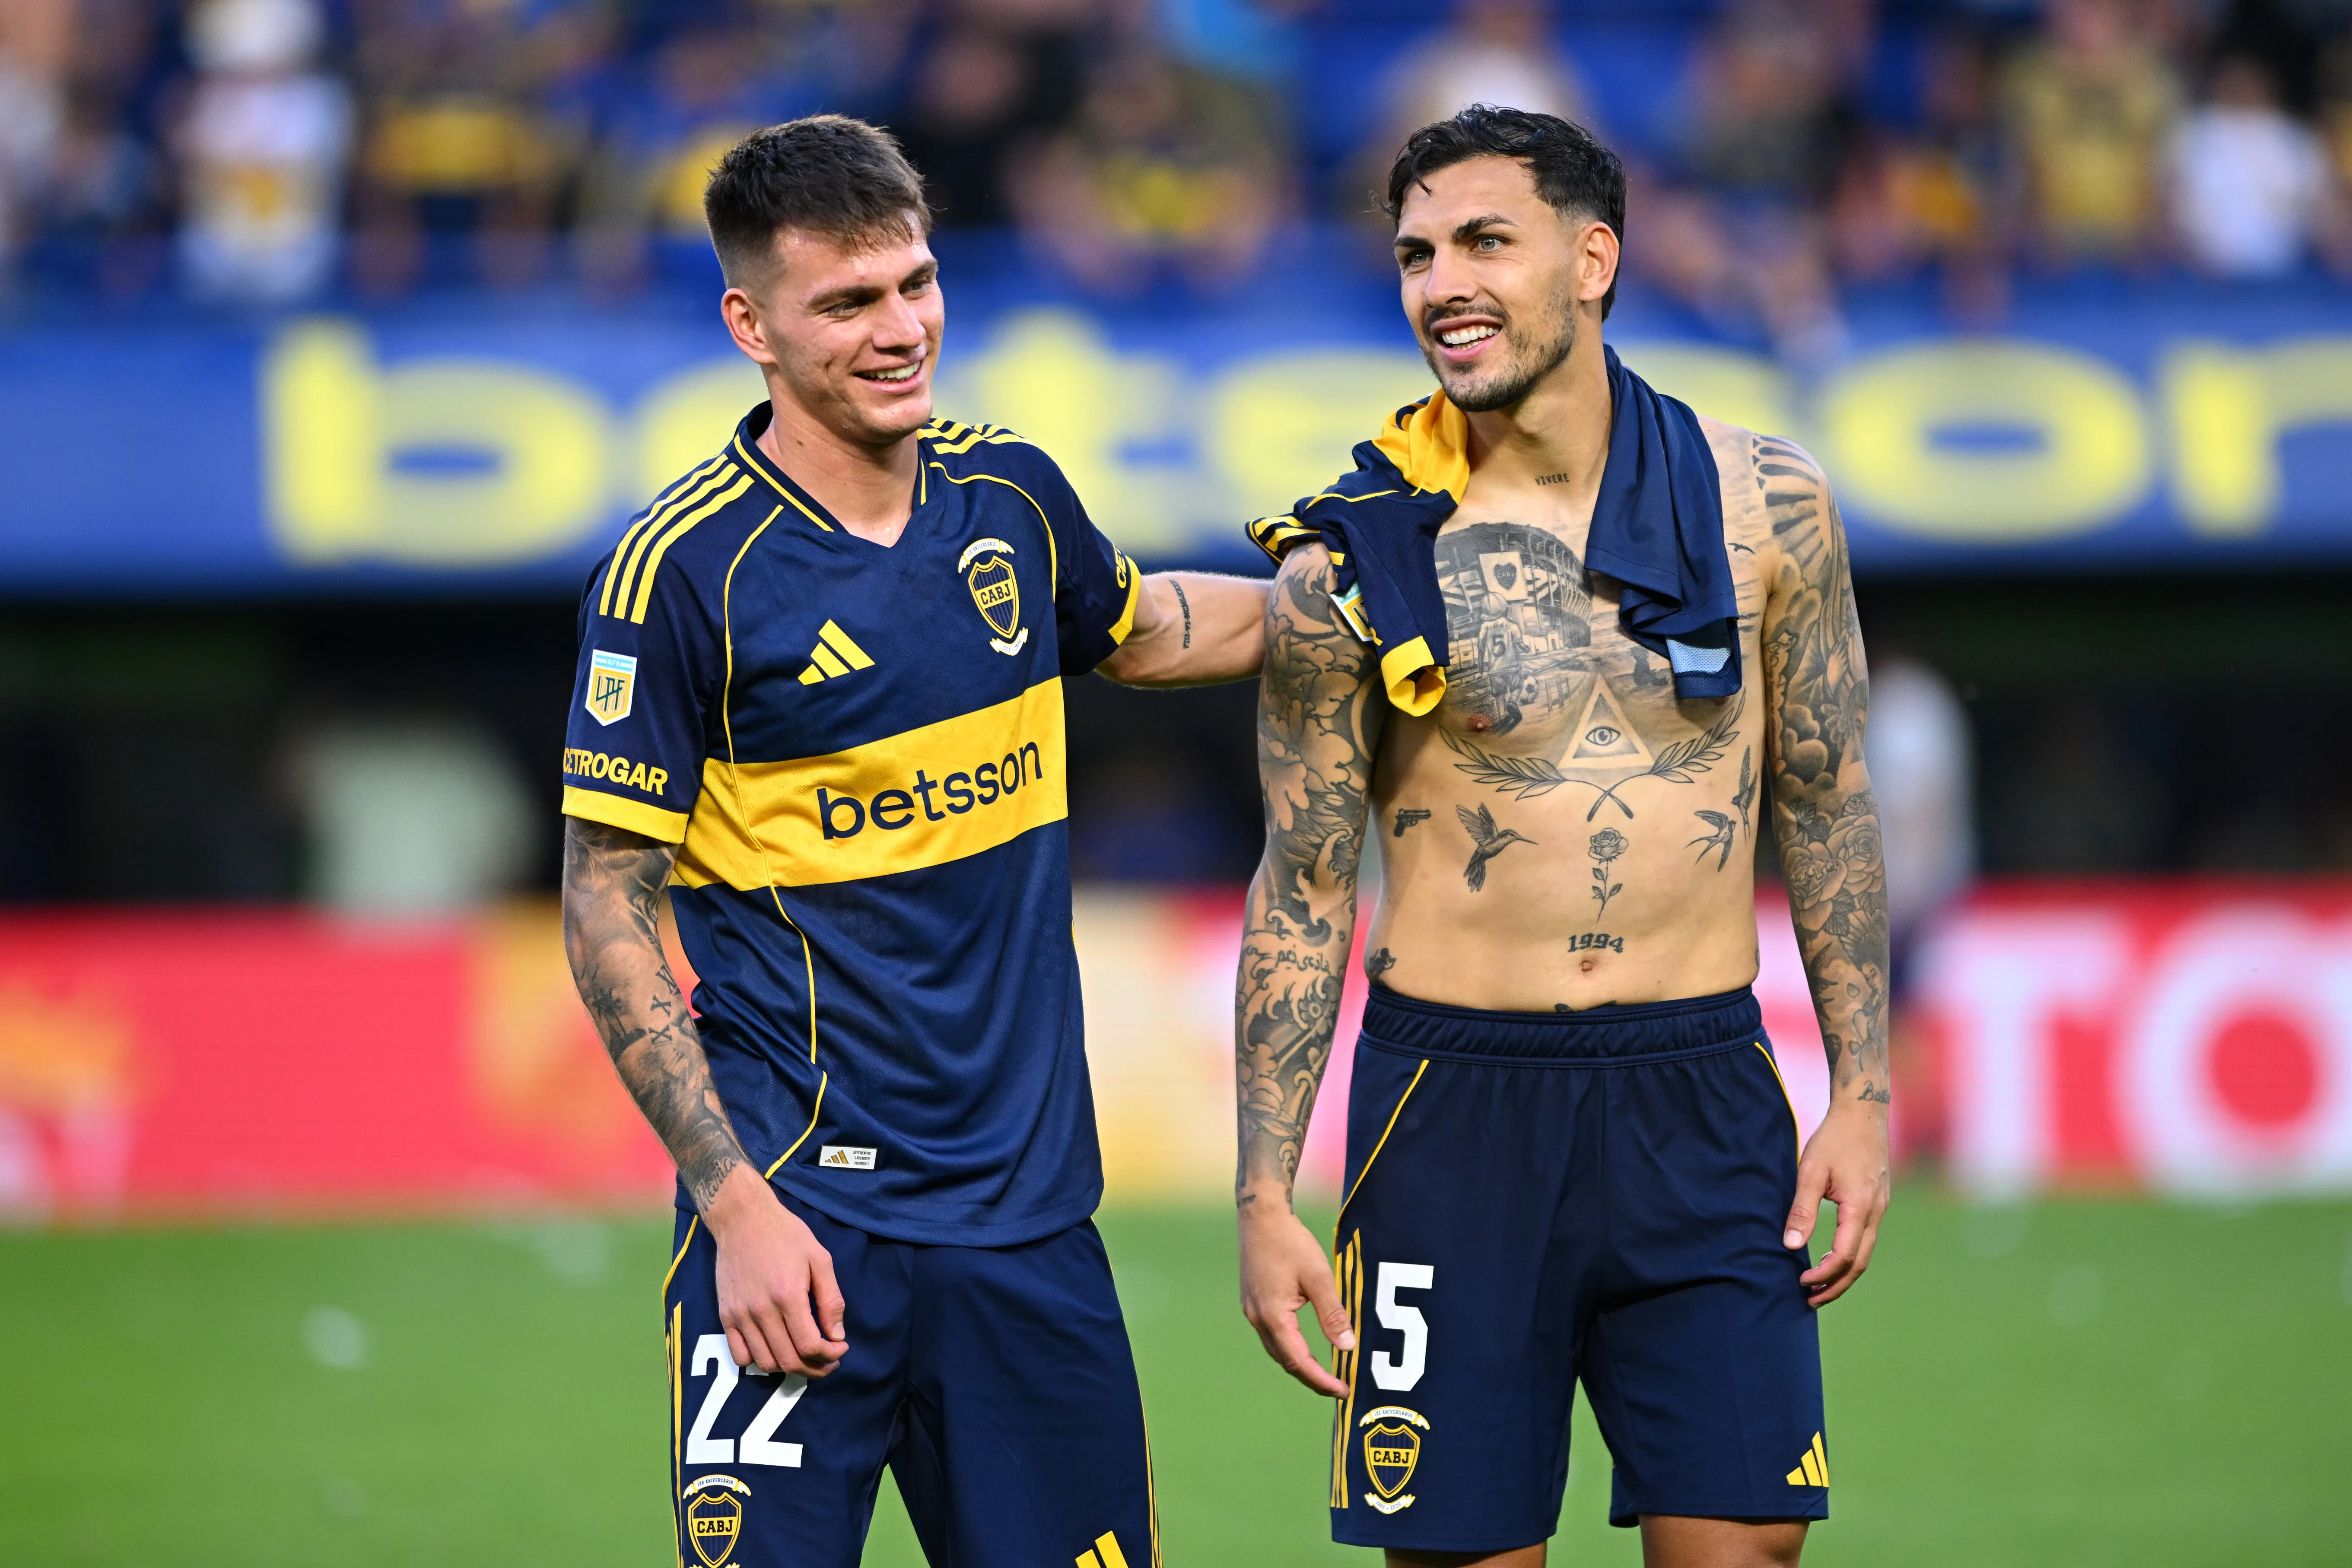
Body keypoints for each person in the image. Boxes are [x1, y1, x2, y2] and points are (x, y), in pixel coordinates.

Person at [559, 115, 1266, 1568]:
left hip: (1027, 1226)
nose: (902, 332)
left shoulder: (1006, 493)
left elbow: (1143, 629)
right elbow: (607, 908)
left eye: (917, 285)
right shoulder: (680, 572)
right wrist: (734, 1204)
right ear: (749, 324)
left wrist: (1368, 588)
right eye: (848, 302)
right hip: (795, 1226)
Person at [1233, 107, 1890, 1567]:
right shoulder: (1355, 552)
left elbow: (1829, 795)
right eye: (1413, 254)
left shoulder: (1770, 500)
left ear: (1592, 259)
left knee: (1748, 1547)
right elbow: (1303, 881)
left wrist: (1861, 1092)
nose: (1439, 282)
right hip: (1447, 1110)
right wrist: (1263, 1189)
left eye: (1482, 241)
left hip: (1702, 1094)